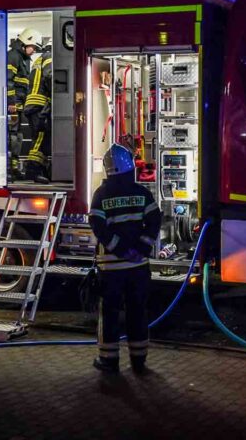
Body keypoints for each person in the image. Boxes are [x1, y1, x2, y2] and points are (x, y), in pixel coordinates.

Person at [88, 144, 162, 373]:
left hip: (110, 269)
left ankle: (109, 361)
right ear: (130, 166)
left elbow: (98, 226)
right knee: (137, 311)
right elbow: (155, 221)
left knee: (109, 314)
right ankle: (139, 360)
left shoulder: (101, 195)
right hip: (138, 266)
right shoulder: (142, 193)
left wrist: (119, 249)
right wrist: (141, 248)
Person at [7, 28, 41, 180]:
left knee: (18, 135)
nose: (34, 51)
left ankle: (14, 168)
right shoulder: (13, 56)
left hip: (19, 104)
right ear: (25, 43)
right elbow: (8, 80)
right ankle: (9, 169)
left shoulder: (23, 59)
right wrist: (11, 102)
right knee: (12, 136)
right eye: (33, 47)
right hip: (13, 105)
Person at [23, 44, 53, 183]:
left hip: (35, 103)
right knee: (40, 137)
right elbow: (49, 76)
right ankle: (33, 170)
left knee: (41, 137)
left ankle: (40, 168)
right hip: (39, 104)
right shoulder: (49, 56)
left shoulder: (39, 59)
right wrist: (56, 95)